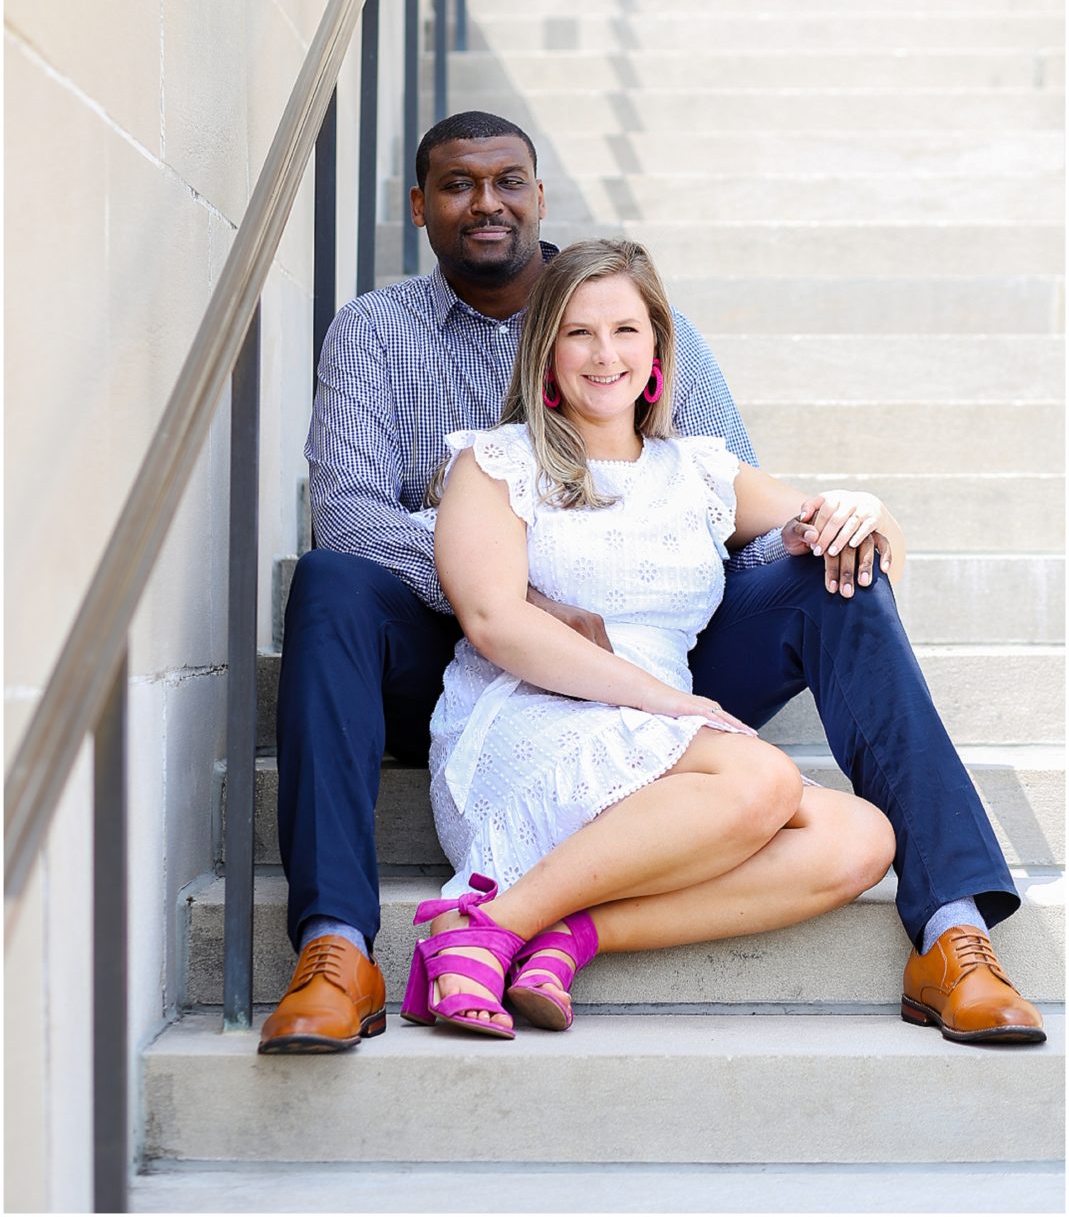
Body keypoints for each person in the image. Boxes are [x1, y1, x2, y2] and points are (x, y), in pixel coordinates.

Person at [259, 109, 1042, 1055]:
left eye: (508, 181)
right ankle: (338, 947)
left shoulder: (650, 355)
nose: (487, 203)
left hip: (647, 646)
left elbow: (718, 513)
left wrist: (841, 522)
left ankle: (951, 926)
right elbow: (348, 514)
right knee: (333, 581)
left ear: (541, 196)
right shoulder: (381, 334)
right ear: (418, 206)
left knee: (839, 581)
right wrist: (510, 591)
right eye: (458, 185)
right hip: (469, 645)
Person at [401, 237, 898, 1037]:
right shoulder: (494, 463)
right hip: (532, 717)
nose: (605, 355)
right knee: (761, 781)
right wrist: (673, 705)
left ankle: (562, 933)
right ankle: (480, 926)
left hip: (661, 733)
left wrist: (862, 508)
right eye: (578, 332)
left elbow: (871, 560)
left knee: (860, 838)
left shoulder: (700, 472)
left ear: (659, 346)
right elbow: (494, 621)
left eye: (626, 331)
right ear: (546, 352)